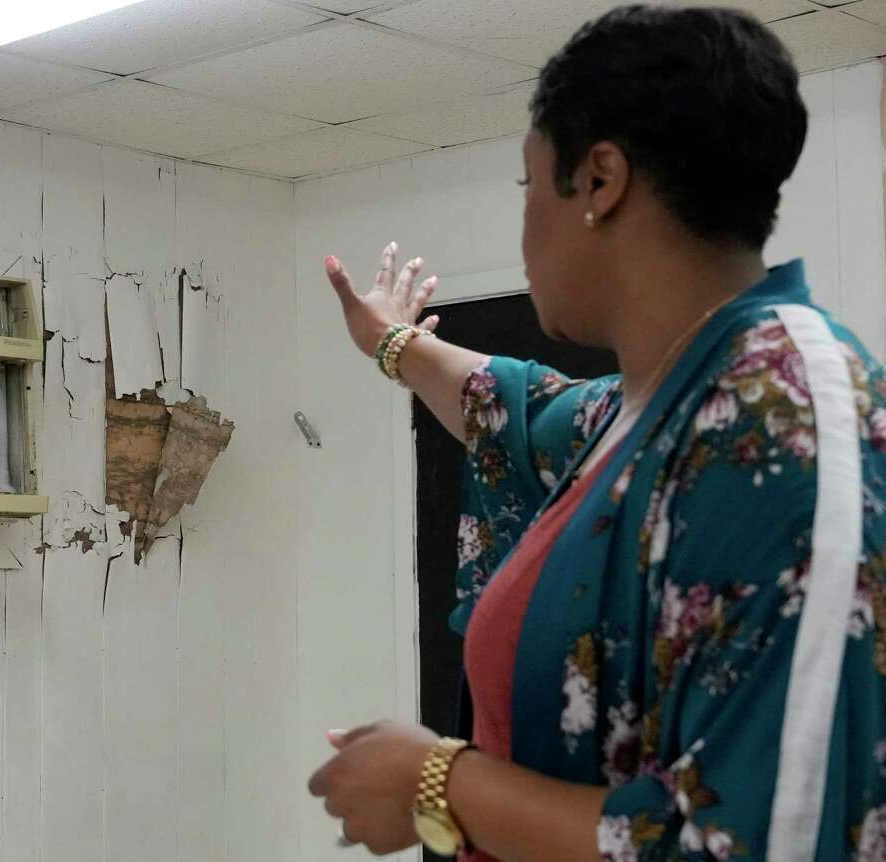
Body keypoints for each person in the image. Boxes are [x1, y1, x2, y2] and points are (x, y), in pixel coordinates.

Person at [307, 5, 886, 861]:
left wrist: (437, 779)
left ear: (600, 180)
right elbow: (514, 405)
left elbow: (761, 842)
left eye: (528, 185)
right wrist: (394, 342)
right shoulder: (659, 405)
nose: (525, 223)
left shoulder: (785, 415)